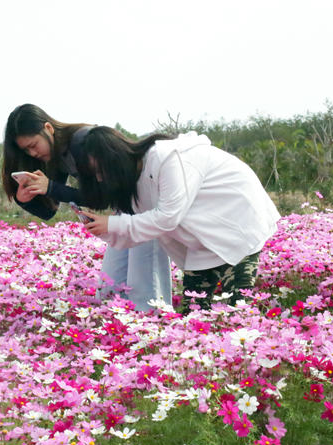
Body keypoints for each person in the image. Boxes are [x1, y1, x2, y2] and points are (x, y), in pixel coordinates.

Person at [75, 126, 280, 309]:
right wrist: (103, 229)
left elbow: (167, 217)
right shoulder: (133, 185)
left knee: (239, 307)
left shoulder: (166, 158)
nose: (100, 179)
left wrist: (111, 224)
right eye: (94, 176)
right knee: (194, 312)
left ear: (115, 159)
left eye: (100, 171)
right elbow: (139, 233)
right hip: (202, 241)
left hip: (238, 221)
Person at [2, 104, 172, 311]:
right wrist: (24, 198)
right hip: (124, 210)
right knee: (110, 287)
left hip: (142, 202)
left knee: (144, 287)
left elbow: (102, 197)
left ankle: (153, 330)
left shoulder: (82, 141)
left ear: (48, 128)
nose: (33, 153)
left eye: (33, 145)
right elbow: (50, 210)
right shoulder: (57, 155)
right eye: (26, 150)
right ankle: (123, 331)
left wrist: (52, 187)